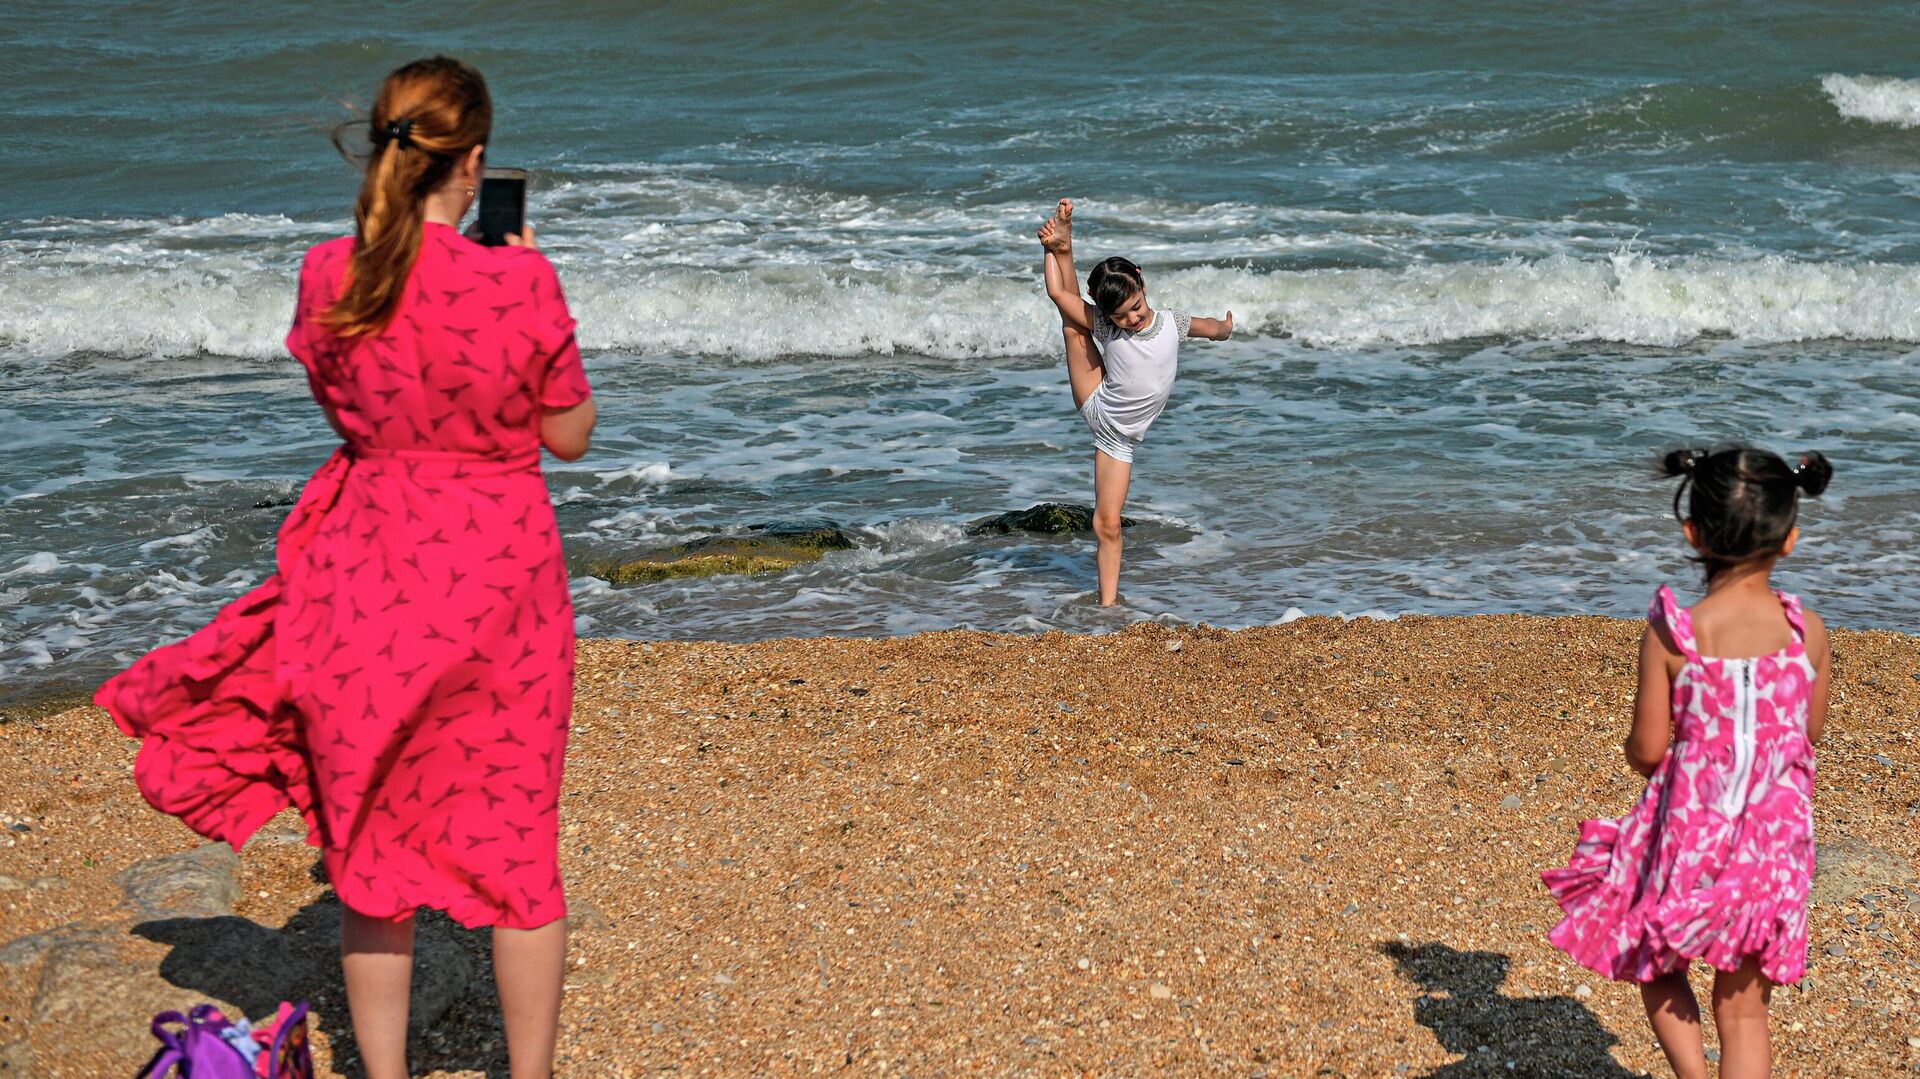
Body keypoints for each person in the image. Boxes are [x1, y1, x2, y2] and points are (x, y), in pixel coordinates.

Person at [93, 56, 594, 1079]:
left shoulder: (333, 274)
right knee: (517, 841)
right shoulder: (518, 278)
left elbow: (345, 402)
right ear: (476, 162)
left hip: (368, 564)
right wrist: (521, 272)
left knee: (371, 856)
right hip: (500, 576)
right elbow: (571, 432)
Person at [1542, 446, 1834, 1079]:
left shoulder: (1675, 633)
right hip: (1774, 847)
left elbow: (1648, 751)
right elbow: (1806, 733)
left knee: (1656, 962)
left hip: (1689, 837)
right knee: (1745, 1014)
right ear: (1789, 538)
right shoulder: (1805, 630)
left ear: (1692, 532)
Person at [1036, 198, 1232, 606]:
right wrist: (1048, 251)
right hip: (1098, 404)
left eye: (1136, 307)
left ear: (1144, 288)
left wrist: (1225, 329)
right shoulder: (1108, 328)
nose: (1133, 319)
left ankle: (1107, 604)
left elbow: (1208, 327)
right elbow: (1058, 293)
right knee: (1074, 327)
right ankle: (1064, 246)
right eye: (1122, 315)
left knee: (1107, 522)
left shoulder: (1172, 323)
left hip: (1121, 440)